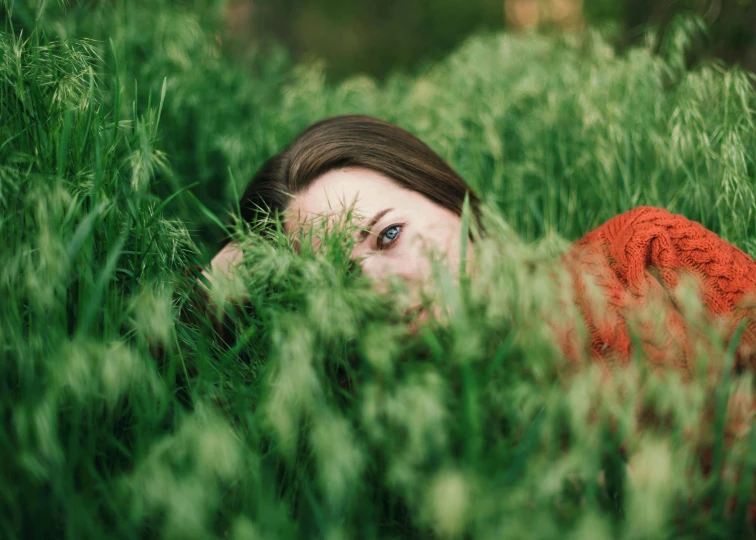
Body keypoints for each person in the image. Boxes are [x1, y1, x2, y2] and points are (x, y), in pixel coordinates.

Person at [204, 114, 756, 372]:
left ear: (450, 200)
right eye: (339, 278)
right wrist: (218, 295)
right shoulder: (395, 435)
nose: (378, 287)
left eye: (388, 235)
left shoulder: (639, 253)